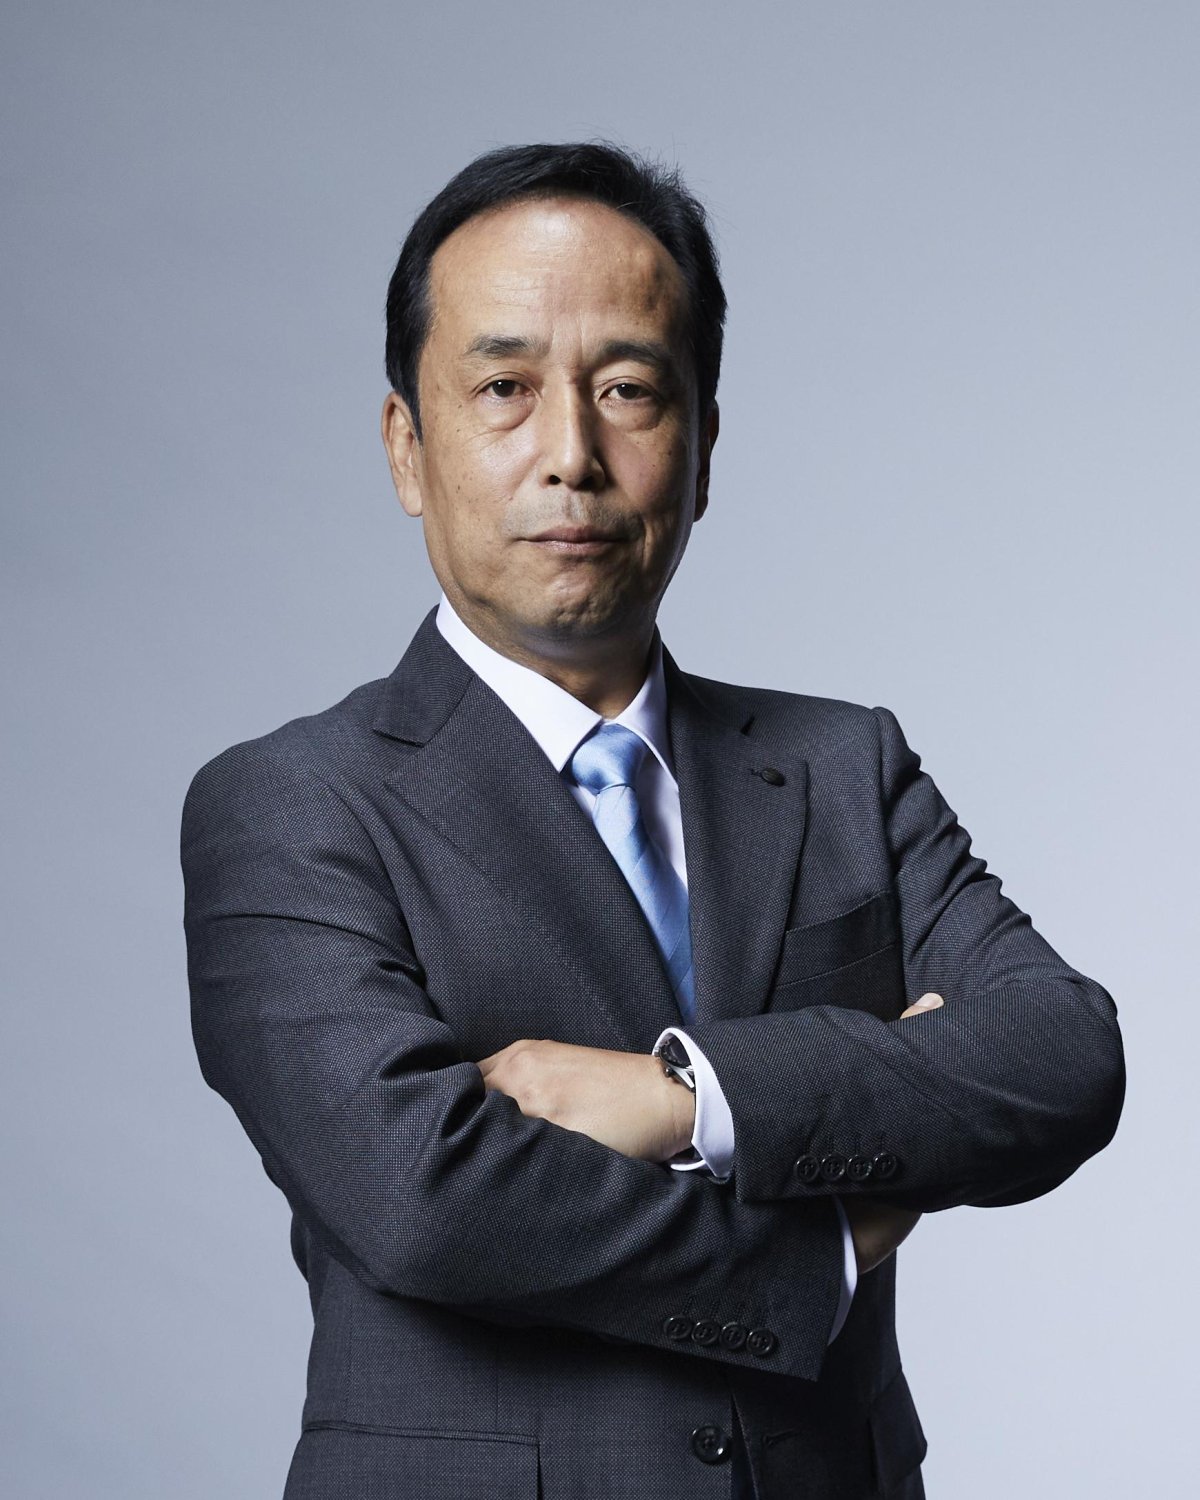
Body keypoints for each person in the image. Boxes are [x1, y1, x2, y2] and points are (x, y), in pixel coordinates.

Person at [180, 142, 1125, 1500]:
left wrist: (690, 1095)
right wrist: (822, 1243)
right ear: (406, 447)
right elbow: (422, 1196)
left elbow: (1059, 1057)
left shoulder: (841, 764)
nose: (571, 455)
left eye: (628, 390)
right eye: (503, 389)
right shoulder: (288, 804)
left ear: (705, 446)